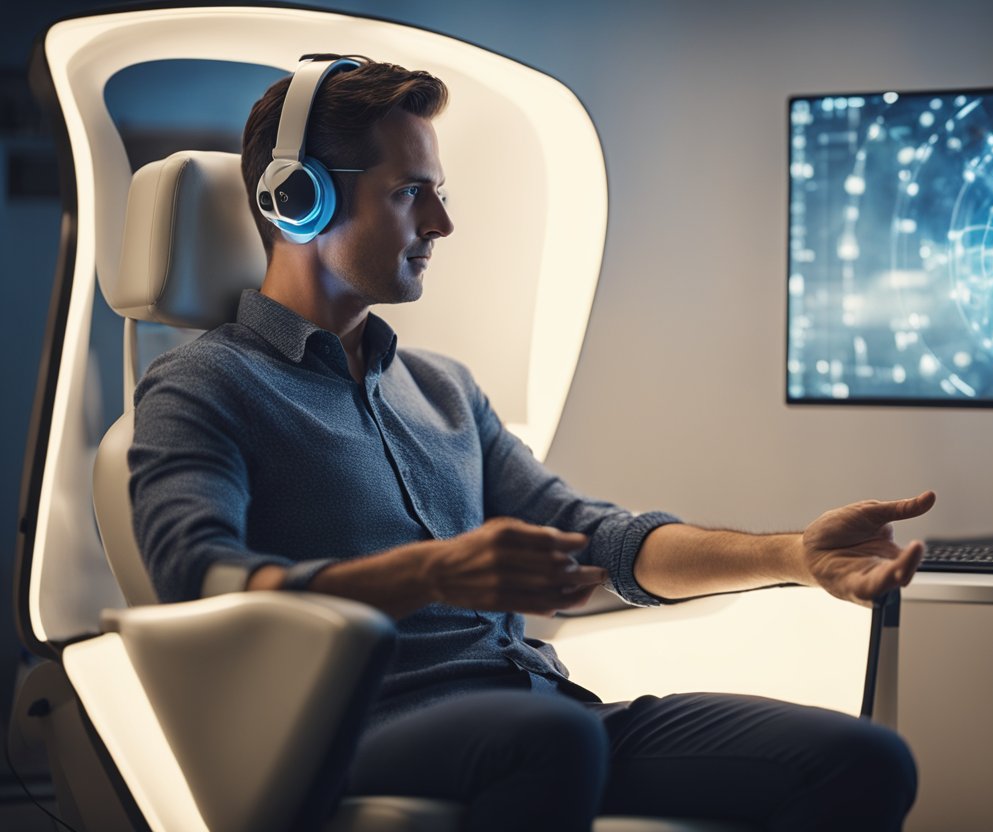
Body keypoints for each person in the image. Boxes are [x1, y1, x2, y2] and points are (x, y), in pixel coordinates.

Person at [128, 57, 937, 832]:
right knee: (546, 741)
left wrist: (793, 555)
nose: (442, 224)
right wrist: (428, 573)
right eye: (410, 193)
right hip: (364, 732)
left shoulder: (442, 389)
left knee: (861, 762)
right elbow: (200, 582)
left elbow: (596, 538)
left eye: (439, 193)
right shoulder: (204, 385)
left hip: (549, 717)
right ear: (297, 198)